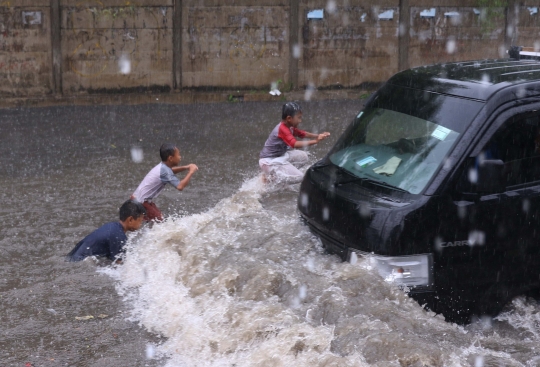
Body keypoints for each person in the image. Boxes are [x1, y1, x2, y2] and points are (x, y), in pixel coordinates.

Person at [259, 102, 330, 182]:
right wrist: (316, 141)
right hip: (269, 161)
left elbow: (302, 134)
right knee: (301, 177)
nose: (300, 121)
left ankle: (278, 173)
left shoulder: (289, 126)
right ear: (289, 118)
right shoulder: (283, 129)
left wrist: (317, 135)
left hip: (279, 156)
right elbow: (295, 144)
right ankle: (272, 179)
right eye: (298, 118)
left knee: (303, 157)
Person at [131, 143, 198, 221]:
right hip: (140, 201)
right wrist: (191, 172)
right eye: (178, 155)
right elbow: (180, 186)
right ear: (170, 158)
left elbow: (170, 172)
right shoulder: (164, 170)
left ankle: (149, 232)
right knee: (159, 221)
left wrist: (186, 167)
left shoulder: (163, 167)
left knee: (158, 219)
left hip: (139, 199)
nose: (180, 157)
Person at [67, 199, 146, 262]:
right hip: (79, 261)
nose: (141, 224)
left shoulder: (112, 227)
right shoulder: (119, 236)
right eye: (140, 220)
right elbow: (120, 264)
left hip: (73, 258)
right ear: (130, 220)